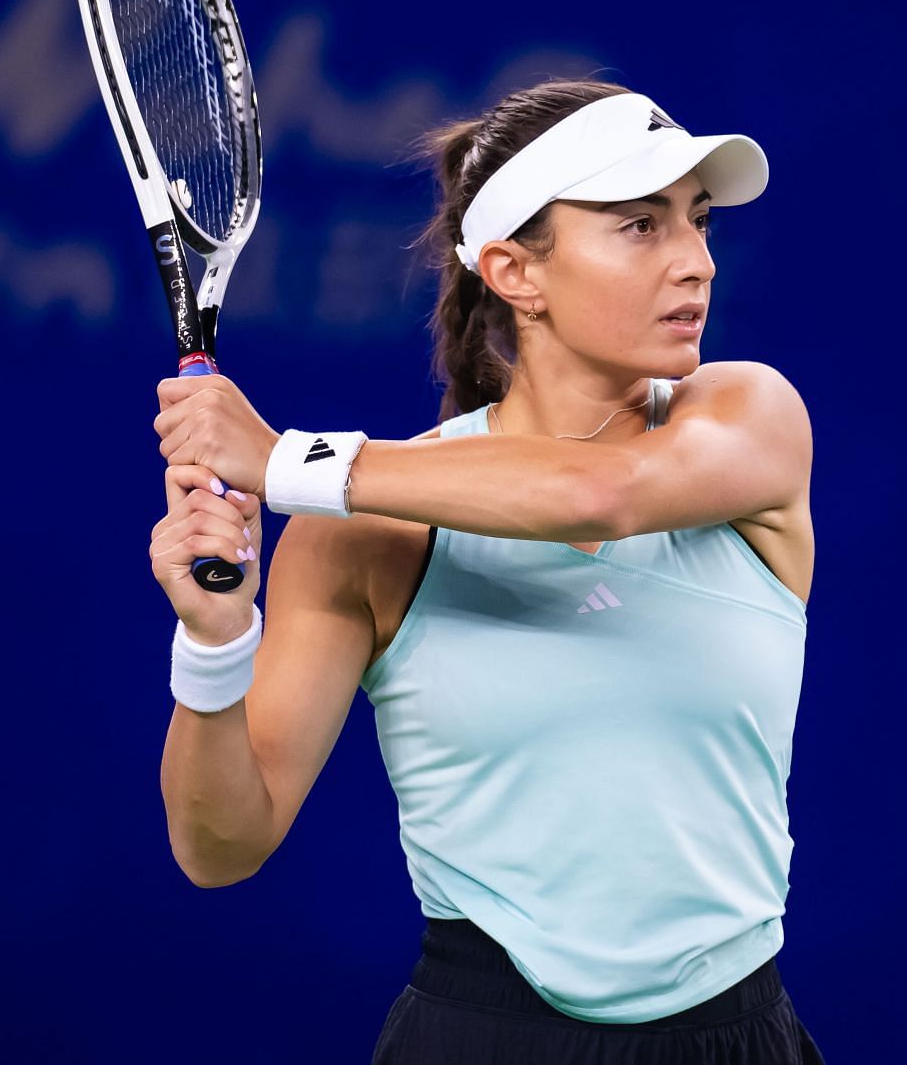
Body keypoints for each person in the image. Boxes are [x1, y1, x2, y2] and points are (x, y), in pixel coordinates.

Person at [149, 79, 824, 1063]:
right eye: (640, 226)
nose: (696, 261)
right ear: (515, 271)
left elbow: (601, 494)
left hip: (740, 1038)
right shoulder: (363, 535)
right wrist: (213, 646)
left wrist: (287, 461)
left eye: (699, 221)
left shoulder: (749, 420)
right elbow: (220, 847)